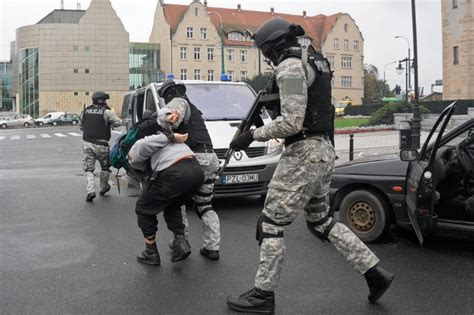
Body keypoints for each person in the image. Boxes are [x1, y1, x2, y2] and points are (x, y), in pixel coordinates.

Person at [226, 18, 395, 314]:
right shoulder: (316, 62)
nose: (267, 57)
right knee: (321, 222)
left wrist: (250, 136)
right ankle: (374, 273)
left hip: (303, 155)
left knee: (271, 224)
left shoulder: (291, 67)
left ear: (273, 46)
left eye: (266, 50)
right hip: (323, 152)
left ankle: (263, 295)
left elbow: (292, 121)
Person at [156, 79, 221, 261]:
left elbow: (171, 118)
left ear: (168, 94)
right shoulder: (194, 108)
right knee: (205, 205)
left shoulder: (178, 102)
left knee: (178, 201)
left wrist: (161, 120)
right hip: (210, 158)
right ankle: (212, 247)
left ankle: (181, 241)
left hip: (193, 159)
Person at [128, 125, 204, 265]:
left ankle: (151, 252)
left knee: (143, 208)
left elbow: (135, 161)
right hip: (197, 171)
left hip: (176, 172)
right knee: (172, 204)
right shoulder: (174, 140)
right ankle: (180, 242)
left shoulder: (146, 141)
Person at [81, 91, 122, 202]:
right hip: (102, 145)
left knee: (88, 169)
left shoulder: (86, 111)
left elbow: (81, 126)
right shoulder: (107, 112)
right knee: (105, 167)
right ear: (104, 100)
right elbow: (118, 123)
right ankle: (104, 187)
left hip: (87, 143)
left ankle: (90, 191)